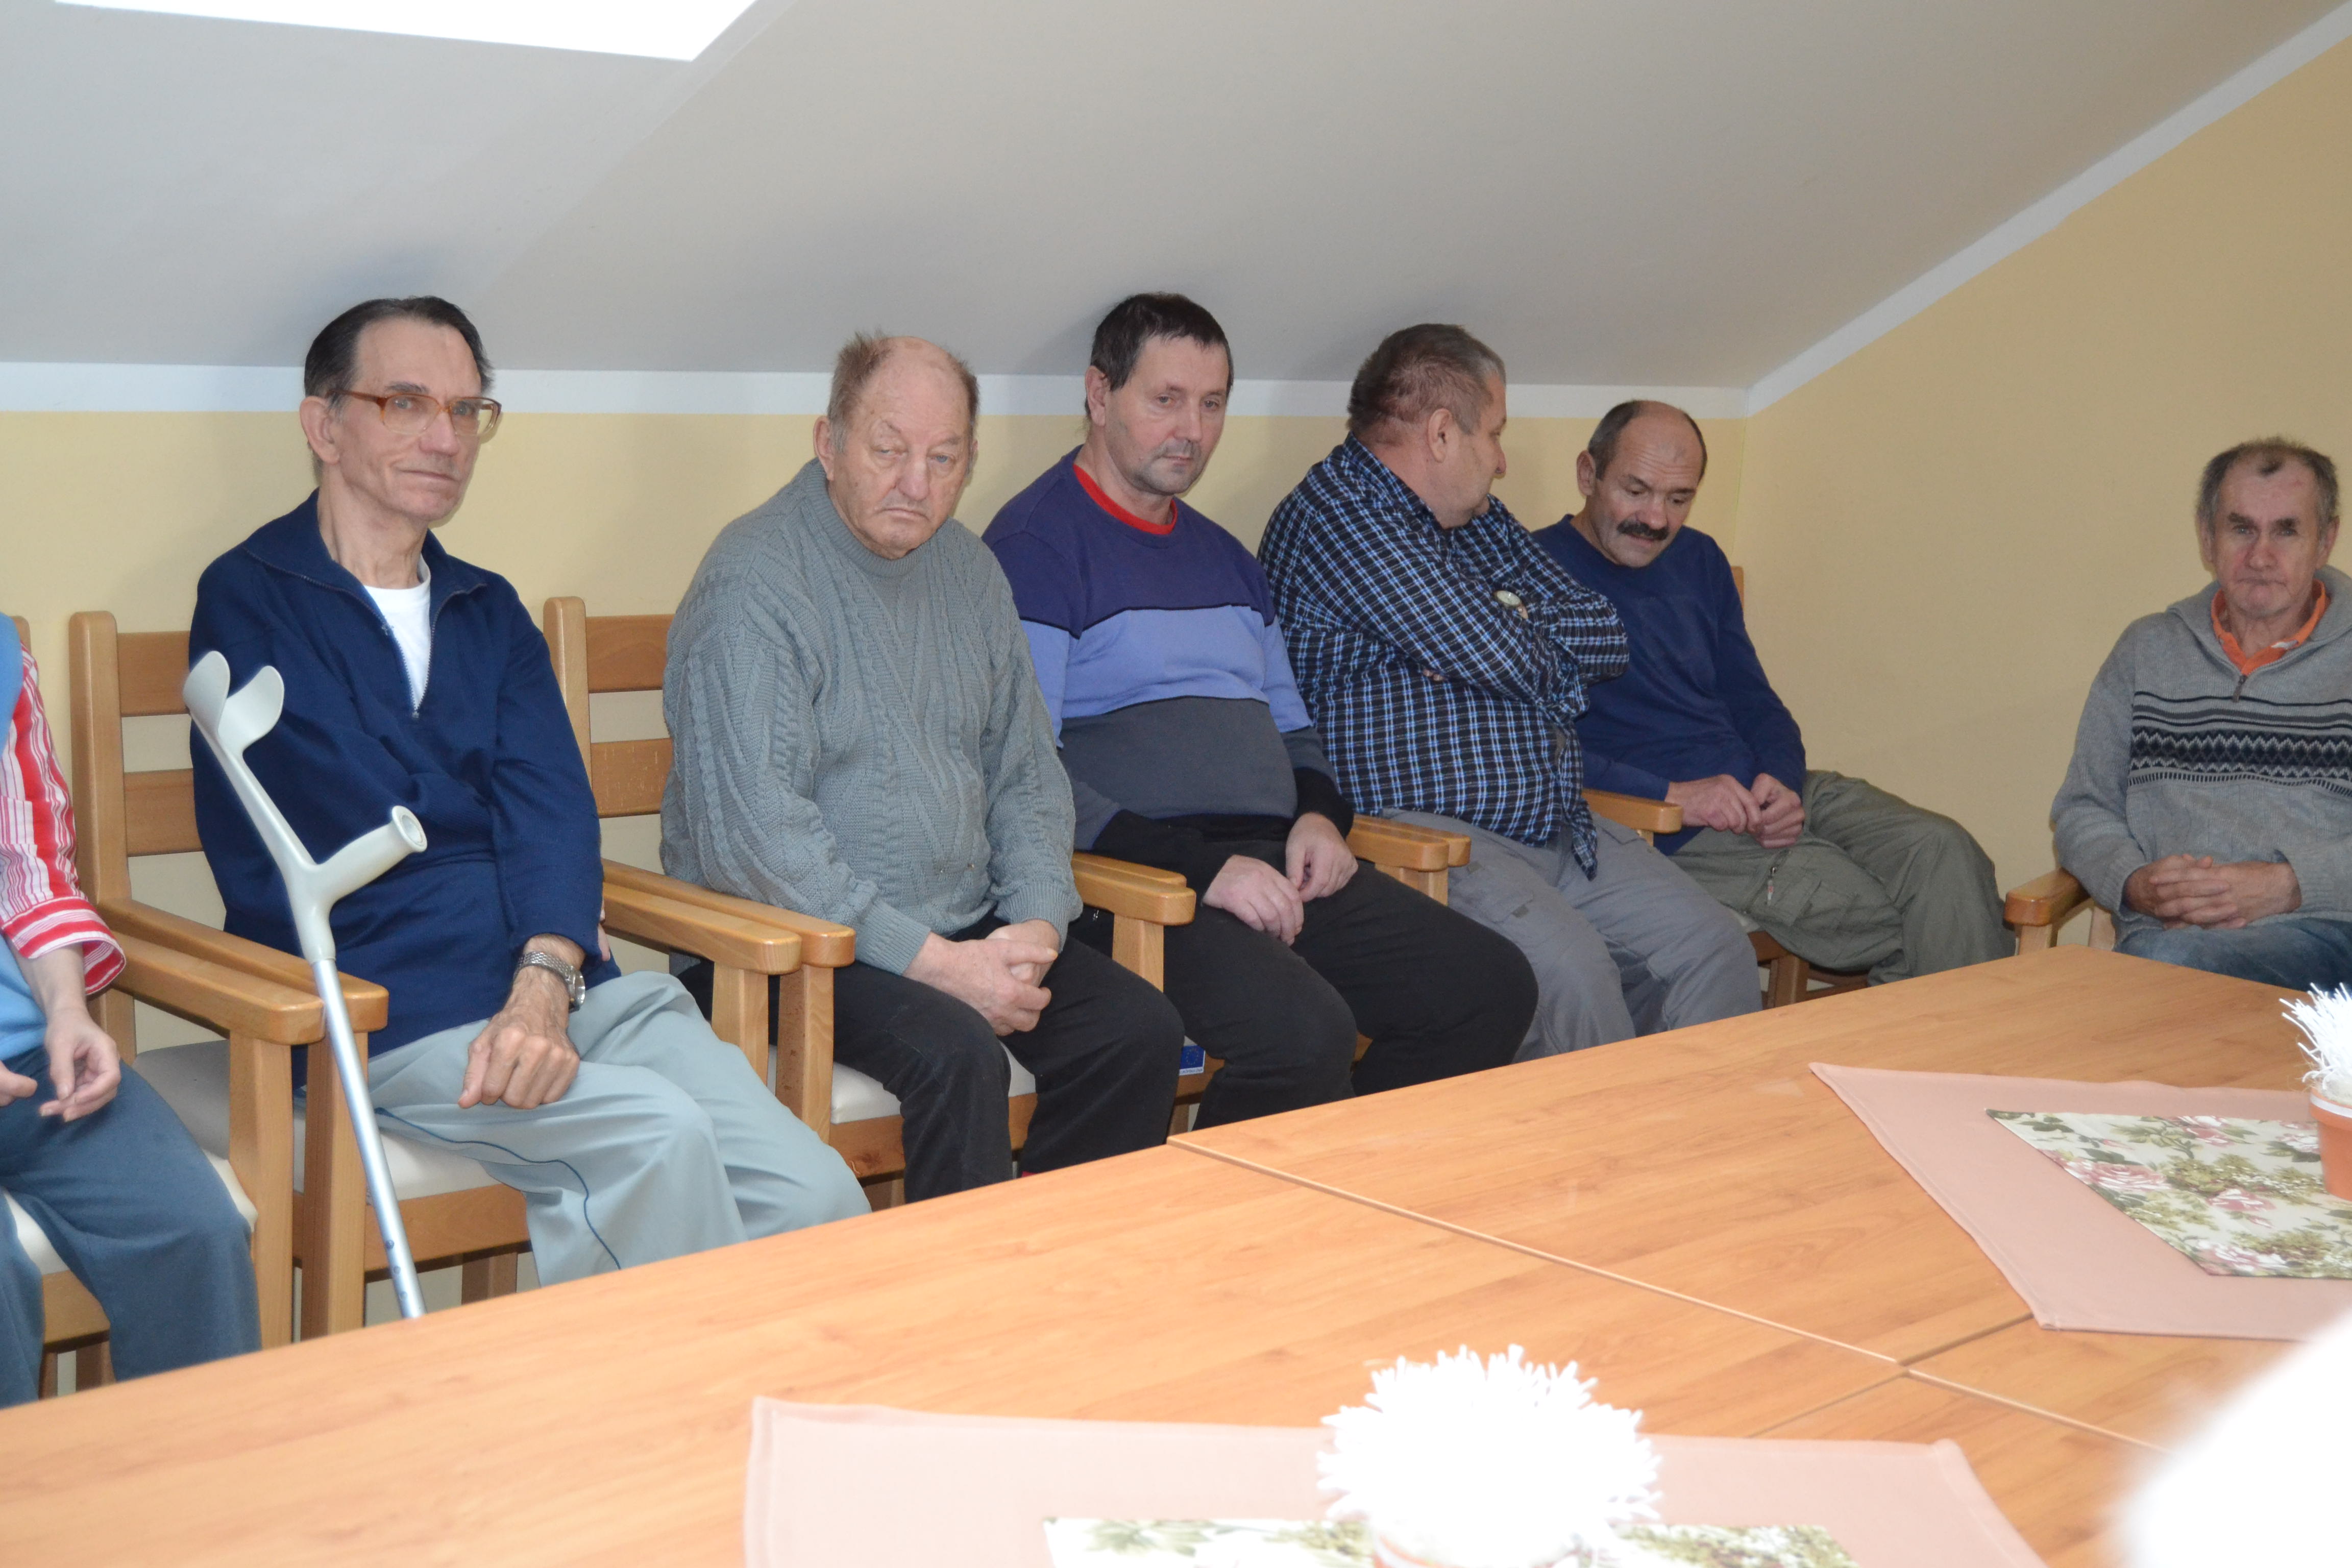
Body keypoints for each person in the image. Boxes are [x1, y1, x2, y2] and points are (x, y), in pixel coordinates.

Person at [191, 297, 865, 1287]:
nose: (445, 437)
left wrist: (546, 975)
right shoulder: (250, 595)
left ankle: (774, 1383)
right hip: (393, 1012)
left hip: (565, 987)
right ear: (324, 426)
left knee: (815, 1192)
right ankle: (644, 1391)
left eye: (467, 411)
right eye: (406, 403)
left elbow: (553, 808)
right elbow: (351, 815)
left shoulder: (487, 609)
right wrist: (516, 897)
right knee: (658, 1139)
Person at [983, 295, 1534, 1124]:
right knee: (1304, 1034)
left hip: (1275, 863)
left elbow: (1295, 729)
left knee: (1488, 986)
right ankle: (1231, 1205)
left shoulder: (1227, 559)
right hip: (1137, 881)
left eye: (1212, 405)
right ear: (1099, 395)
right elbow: (1026, 771)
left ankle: (1351, 1179)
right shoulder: (1036, 545)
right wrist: (1206, 871)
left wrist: (1319, 818)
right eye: (1166, 400)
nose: (1192, 431)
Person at [663, 333, 1185, 1200]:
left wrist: (1037, 925)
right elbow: (757, 842)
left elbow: (1026, 774)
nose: (916, 482)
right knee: (959, 1054)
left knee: (1137, 1033)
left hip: (964, 923)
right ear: (828, 443)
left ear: (970, 461)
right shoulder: (753, 582)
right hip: (788, 948)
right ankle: (952, 1288)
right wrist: (939, 965)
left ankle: (1047, 1261)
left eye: (943, 458)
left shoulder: (971, 572)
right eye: (888, 450)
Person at [1259, 325, 1756, 1057]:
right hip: (1427, 837)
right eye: (1493, 434)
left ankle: (1691, 1122)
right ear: (1440, 434)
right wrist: (1504, 632)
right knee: (1574, 977)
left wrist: (1491, 638)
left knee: (1713, 946)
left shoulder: (1477, 518)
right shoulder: (1338, 517)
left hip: (1557, 818)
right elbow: (1499, 653)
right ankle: (1601, 1132)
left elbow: (1604, 635)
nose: (1500, 459)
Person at [1531, 401, 2006, 985]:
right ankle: (1953, 1035)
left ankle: (1955, 1033)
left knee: (1947, 851)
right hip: (1670, 826)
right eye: (1637, 491)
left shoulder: (1700, 559)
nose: (1656, 519)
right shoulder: (1529, 577)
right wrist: (1677, 796)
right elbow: (1532, 747)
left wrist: (1780, 778)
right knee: (1900, 916)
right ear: (1588, 475)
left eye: (1679, 499)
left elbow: (1755, 699)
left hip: (1762, 788)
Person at [0, 615, 259, 1404]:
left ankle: (198, 1480)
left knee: (197, 1233)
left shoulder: (4, 662)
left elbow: (33, 871)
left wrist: (68, 1011)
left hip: (29, 1062)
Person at [2054, 438, 2352, 988]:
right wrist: (2135, 883)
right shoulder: (2147, 650)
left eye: (2286, 531)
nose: (2260, 557)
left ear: (2326, 541)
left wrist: (2289, 886)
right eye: (2242, 529)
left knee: (2152, 981)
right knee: (2146, 977)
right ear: (2207, 537)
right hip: (2164, 941)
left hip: (2323, 944)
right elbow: (2082, 809)